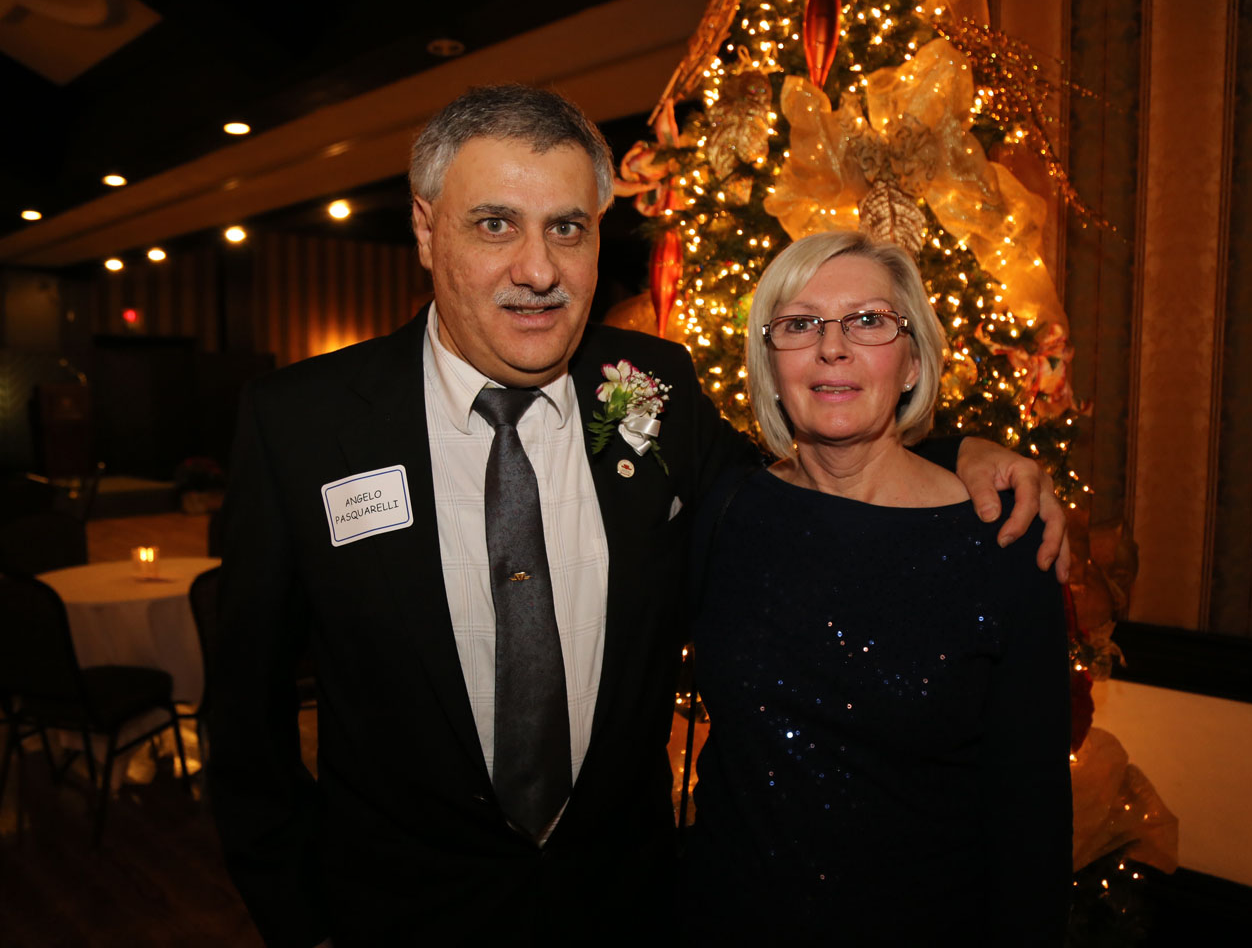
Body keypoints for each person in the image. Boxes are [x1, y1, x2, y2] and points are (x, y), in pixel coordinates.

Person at [208, 86, 1066, 947]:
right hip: (400, 917)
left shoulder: (652, 388)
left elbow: (817, 466)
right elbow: (246, 709)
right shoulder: (303, 425)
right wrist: (300, 918)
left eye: (568, 228)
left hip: (626, 913)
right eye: (495, 224)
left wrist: (962, 450)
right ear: (428, 230)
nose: (538, 271)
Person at [685, 230, 1072, 943]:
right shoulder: (727, 508)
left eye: (868, 321)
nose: (833, 347)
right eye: (800, 324)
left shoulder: (1004, 541)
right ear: (769, 366)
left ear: (914, 361)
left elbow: (1032, 820)